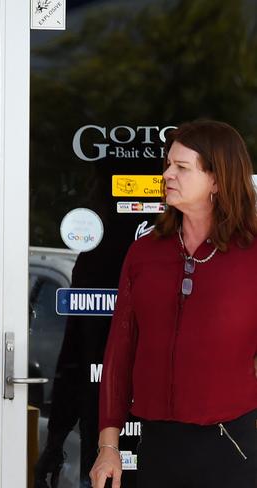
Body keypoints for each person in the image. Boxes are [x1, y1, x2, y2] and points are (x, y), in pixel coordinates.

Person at [90, 120, 257, 488]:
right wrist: (108, 446)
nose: (167, 174)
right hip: (159, 448)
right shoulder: (144, 253)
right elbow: (120, 352)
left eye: (182, 167)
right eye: (168, 164)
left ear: (217, 179)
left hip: (234, 448)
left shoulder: (252, 255)